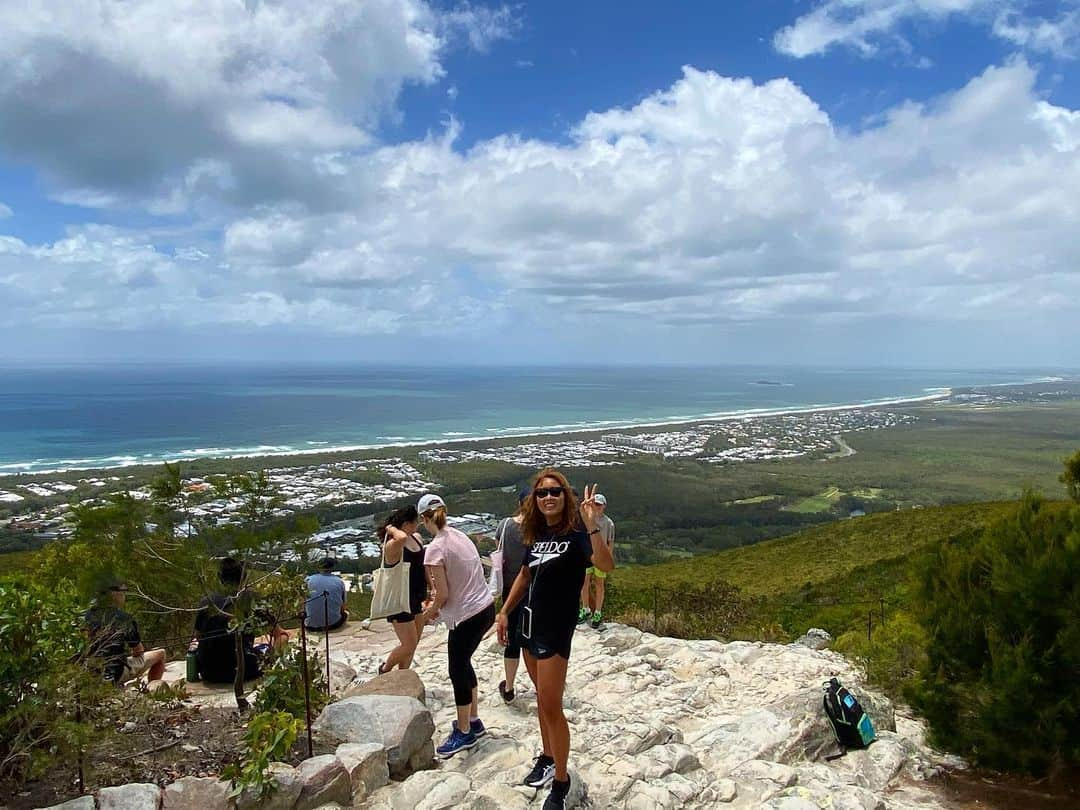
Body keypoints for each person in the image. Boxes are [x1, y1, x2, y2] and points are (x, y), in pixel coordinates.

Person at [496, 470, 615, 810]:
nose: (548, 497)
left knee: (551, 705)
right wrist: (505, 611)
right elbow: (524, 573)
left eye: (555, 492)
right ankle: (548, 757)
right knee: (540, 699)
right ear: (534, 500)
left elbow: (606, 565)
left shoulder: (578, 532)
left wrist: (591, 522)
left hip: (555, 628)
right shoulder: (537, 532)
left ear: (566, 497)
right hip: (529, 623)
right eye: (542, 493)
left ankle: (561, 782)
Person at [417, 492, 496, 758]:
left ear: (422, 520)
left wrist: (427, 614)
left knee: (457, 670)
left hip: (466, 616)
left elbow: (442, 595)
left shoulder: (434, 549)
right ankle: (473, 719)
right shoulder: (460, 536)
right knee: (464, 664)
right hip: (485, 608)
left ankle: (464, 732)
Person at [193, 557, 288, 684]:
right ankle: (273, 671)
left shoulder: (206, 601)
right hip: (244, 670)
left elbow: (199, 637)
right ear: (244, 577)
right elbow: (278, 634)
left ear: (219, 577)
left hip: (208, 672)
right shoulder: (252, 599)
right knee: (283, 637)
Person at [84, 580, 167, 690]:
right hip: (115, 674)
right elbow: (138, 651)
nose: (124, 596)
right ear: (114, 594)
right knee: (161, 653)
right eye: (123, 593)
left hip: (90, 672)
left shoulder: (88, 615)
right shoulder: (125, 618)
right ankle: (152, 691)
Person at [377, 505, 429, 672]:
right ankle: (385, 669)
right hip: (399, 599)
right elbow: (400, 538)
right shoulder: (392, 545)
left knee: (414, 643)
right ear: (407, 524)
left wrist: (431, 586)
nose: (418, 525)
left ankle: (403, 673)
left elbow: (423, 564)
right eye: (415, 522)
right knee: (409, 644)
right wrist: (391, 528)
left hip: (415, 596)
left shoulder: (417, 539)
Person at [497, 487, 531, 702]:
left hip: (510, 589)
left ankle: (509, 687)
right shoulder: (542, 529)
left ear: (519, 504)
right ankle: (541, 684)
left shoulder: (505, 525)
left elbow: (499, 552)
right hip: (535, 590)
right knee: (533, 638)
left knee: (512, 641)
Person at [578, 493, 616, 629]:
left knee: (599, 584)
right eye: (595, 504)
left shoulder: (609, 523)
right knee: (584, 583)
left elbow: (610, 542)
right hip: (588, 555)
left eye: (599, 504)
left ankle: (598, 612)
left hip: (600, 557)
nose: (597, 507)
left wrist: (608, 559)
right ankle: (586, 608)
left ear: (604, 506)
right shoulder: (587, 519)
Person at [304, 557, 348, 632]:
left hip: (310, 625)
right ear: (333, 567)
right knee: (346, 613)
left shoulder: (308, 580)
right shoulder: (339, 582)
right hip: (332, 625)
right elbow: (343, 606)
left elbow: (302, 604)